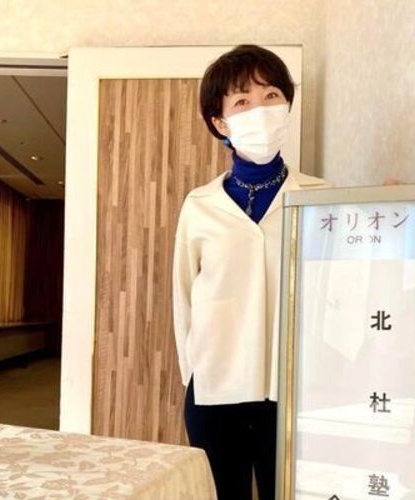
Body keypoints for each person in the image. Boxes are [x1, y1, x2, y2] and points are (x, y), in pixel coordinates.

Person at [172, 45, 330, 500]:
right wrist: (193, 374)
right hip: (216, 388)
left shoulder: (322, 199)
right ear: (220, 123)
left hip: (293, 389)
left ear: (287, 107)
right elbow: (183, 296)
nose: (260, 109)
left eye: (271, 95)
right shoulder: (200, 205)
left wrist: (397, 204)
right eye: (242, 101)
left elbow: (344, 284)